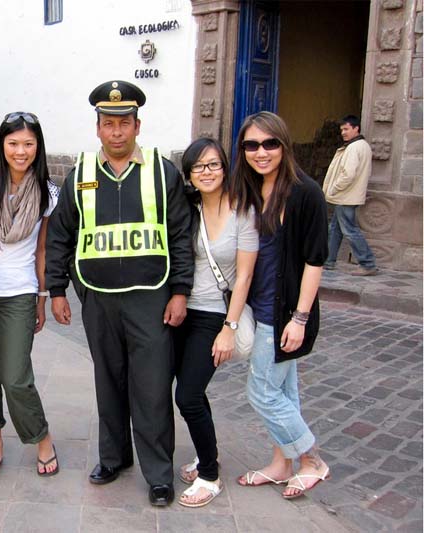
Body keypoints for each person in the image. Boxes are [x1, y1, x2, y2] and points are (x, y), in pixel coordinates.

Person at [45, 80, 193, 507]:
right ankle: (113, 458)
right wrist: (58, 289)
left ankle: (159, 474)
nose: (116, 132)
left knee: (150, 388)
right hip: (98, 297)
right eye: (108, 124)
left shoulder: (162, 172)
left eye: (124, 123)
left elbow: (180, 236)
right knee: (108, 382)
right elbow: (61, 236)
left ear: (137, 126)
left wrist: (180, 290)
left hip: (152, 297)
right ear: (97, 128)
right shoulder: (82, 174)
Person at [231, 111, 331, 499]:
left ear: (283, 145)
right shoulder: (251, 189)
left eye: (270, 143)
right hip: (260, 306)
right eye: (252, 145)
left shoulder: (305, 192)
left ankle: (312, 460)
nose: (261, 152)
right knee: (285, 392)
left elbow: (315, 260)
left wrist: (300, 318)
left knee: (262, 392)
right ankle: (279, 463)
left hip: (286, 311)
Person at [0, 111, 61, 480]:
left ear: (38, 147)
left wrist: (42, 297)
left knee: (16, 375)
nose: (21, 151)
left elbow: (42, 251)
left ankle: (42, 438)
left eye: (28, 144)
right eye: (13, 143)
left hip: (19, 292)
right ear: (1, 145)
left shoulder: (48, 192)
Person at [173, 138, 258, 507]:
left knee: (188, 395)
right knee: (194, 392)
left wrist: (230, 326)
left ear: (225, 168)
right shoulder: (186, 209)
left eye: (213, 165)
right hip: (179, 312)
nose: (206, 172)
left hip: (213, 316)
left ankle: (209, 474)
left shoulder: (244, 211)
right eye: (198, 167)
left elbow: (243, 277)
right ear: (189, 174)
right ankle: (208, 455)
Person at [322, 114, 378, 276]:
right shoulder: (360, 146)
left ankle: (367, 263)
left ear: (356, 128)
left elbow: (348, 174)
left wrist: (333, 189)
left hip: (346, 195)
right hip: (347, 195)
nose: (343, 133)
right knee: (335, 228)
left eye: (346, 129)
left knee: (349, 229)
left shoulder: (354, 147)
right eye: (342, 130)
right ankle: (328, 260)